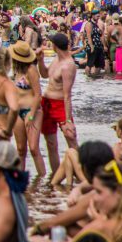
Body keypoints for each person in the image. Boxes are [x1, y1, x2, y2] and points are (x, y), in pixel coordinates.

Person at [41, 32, 78, 174]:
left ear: (55, 46)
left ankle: (80, 174)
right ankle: (55, 177)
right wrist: (40, 60)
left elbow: (67, 95)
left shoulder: (68, 65)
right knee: (51, 144)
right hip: (47, 103)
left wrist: (68, 120)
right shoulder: (56, 59)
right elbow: (45, 74)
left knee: (71, 138)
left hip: (60, 104)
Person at [9, 41, 45, 176]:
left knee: (34, 148)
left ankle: (43, 181)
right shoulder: (16, 70)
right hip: (17, 112)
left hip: (32, 110)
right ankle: (20, 179)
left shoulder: (31, 70)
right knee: (20, 149)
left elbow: (38, 94)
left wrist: (31, 114)